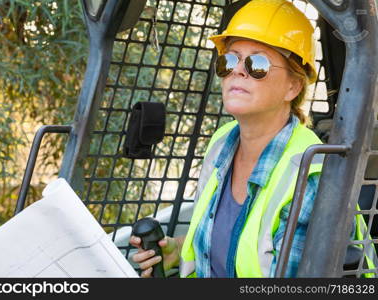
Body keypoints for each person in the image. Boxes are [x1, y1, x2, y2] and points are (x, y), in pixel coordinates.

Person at [129, 0, 376, 278]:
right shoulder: (222, 142)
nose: (238, 70)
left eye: (257, 64)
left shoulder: (312, 174)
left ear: (293, 87)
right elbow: (232, 245)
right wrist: (178, 250)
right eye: (229, 60)